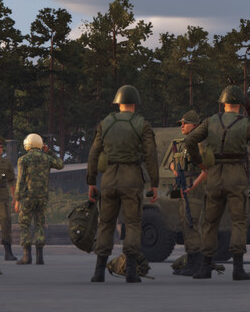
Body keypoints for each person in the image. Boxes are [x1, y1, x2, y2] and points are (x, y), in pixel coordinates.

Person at [179, 85, 250, 282]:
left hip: (214, 177)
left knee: (210, 222)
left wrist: (200, 163)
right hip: (236, 177)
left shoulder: (210, 121)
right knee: (238, 222)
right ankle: (237, 268)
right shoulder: (245, 124)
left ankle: (205, 267)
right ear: (240, 105)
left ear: (223, 103)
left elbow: (190, 140)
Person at [86, 85, 158, 283]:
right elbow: (151, 155)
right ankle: (131, 271)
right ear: (135, 103)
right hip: (132, 178)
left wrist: (91, 181)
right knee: (133, 224)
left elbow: (93, 153)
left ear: (117, 103)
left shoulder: (105, 124)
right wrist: (154, 183)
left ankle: (99, 271)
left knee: (106, 223)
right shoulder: (142, 124)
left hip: (109, 178)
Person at [166, 110, 208, 277]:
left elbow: (206, 169)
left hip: (194, 187)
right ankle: (191, 262)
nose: (182, 126)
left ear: (195, 125)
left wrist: (193, 186)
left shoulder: (200, 143)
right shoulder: (183, 143)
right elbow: (171, 162)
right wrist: (175, 170)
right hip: (183, 186)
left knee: (192, 223)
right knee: (185, 224)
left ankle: (197, 263)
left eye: (185, 123)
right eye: (181, 123)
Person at [14, 133, 58, 265]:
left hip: (28, 197)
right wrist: (49, 152)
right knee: (40, 224)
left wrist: (17, 199)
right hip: (42, 197)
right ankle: (40, 257)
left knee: (25, 224)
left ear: (28, 144)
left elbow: (20, 180)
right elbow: (60, 164)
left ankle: (26, 256)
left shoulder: (23, 159)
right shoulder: (47, 158)